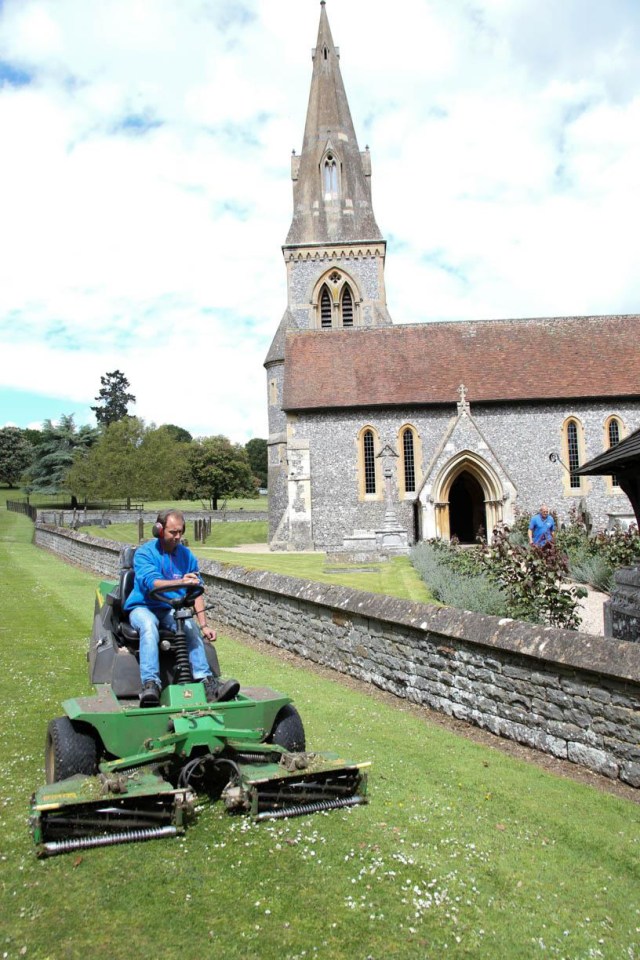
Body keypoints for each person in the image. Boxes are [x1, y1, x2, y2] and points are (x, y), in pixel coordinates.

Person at [124, 509, 240, 707]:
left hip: (170, 608)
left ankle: (206, 683)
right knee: (149, 627)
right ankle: (151, 684)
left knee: (189, 624)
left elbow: (196, 591)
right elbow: (152, 583)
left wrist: (204, 625)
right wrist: (180, 582)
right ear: (159, 531)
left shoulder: (186, 556)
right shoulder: (145, 554)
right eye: (172, 532)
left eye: (180, 532)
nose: (177, 537)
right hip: (143, 607)